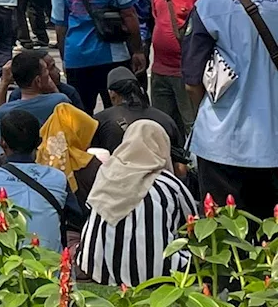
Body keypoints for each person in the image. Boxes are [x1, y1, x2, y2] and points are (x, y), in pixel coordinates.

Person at [183, 0, 278, 218]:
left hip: (222, 143)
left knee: (224, 238)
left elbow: (192, 80)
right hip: (274, 144)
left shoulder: (210, 6)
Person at [77, 120, 197, 286]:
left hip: (98, 268)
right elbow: (192, 223)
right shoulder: (168, 184)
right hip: (159, 273)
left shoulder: (106, 174)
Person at [0, 110, 76, 252]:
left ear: (1, 142)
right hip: (50, 270)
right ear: (39, 142)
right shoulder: (58, 179)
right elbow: (75, 217)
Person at [149, 0, 208, 139]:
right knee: (162, 125)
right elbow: (156, 18)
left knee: (191, 124)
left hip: (185, 73)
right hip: (159, 70)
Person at [91, 66, 184, 164]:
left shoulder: (101, 120)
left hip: (117, 176)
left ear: (112, 94)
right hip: (159, 175)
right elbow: (180, 165)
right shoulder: (165, 119)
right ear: (140, 90)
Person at [0, 49, 72, 138]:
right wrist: (53, 88)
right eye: (46, 71)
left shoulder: (3, 112)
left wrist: (4, 83)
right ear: (38, 80)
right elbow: (69, 117)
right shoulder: (59, 101)